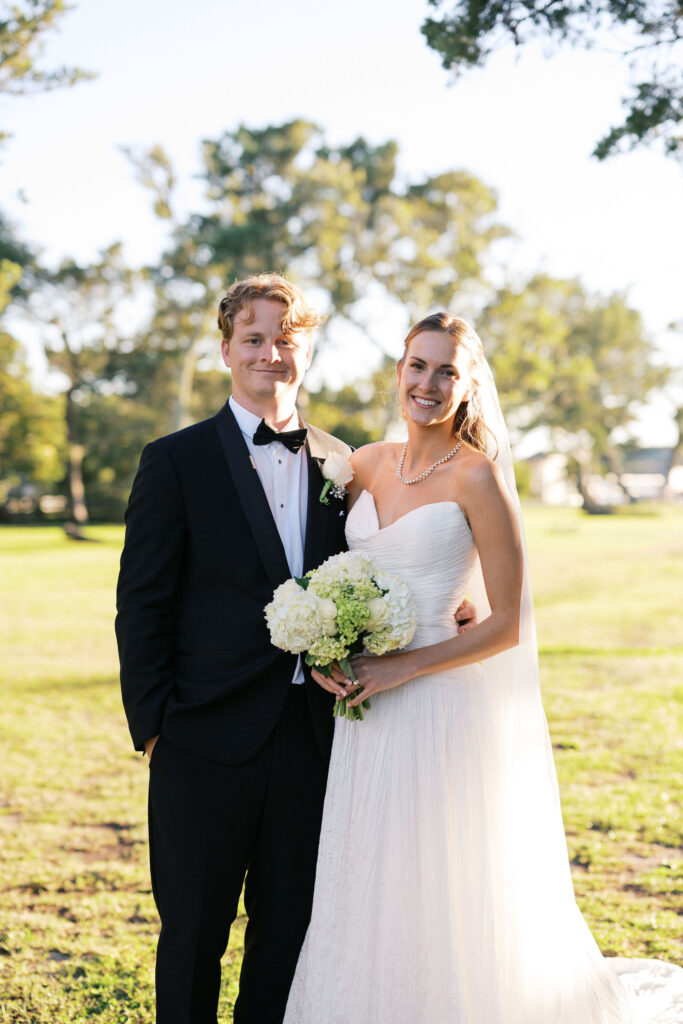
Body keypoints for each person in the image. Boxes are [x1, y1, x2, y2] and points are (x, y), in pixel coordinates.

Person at [283, 313, 683, 1024]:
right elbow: (334, 575)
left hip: (440, 705)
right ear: (398, 370)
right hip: (366, 712)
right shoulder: (363, 465)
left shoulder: (478, 477)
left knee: (442, 877)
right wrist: (327, 650)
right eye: (417, 366)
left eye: (445, 372)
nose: (427, 384)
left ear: (467, 387)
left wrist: (404, 666)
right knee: (372, 874)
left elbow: (508, 624)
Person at [115, 275, 475, 1024]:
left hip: (315, 743)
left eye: (286, 340)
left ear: (304, 351)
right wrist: (153, 725)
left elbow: (381, 565)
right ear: (225, 350)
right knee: (192, 933)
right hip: (202, 739)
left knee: (288, 934)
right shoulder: (173, 461)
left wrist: (457, 603)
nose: (270, 355)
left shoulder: (344, 466)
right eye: (254, 339)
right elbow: (141, 603)